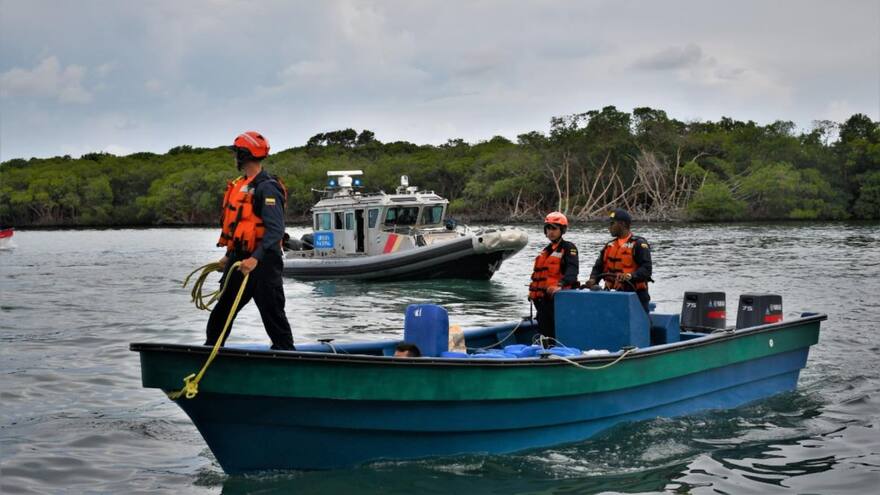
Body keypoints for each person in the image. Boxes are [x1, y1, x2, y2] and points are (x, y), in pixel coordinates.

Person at [205, 131, 295, 350]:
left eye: (236, 152)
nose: (234, 156)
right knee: (222, 310)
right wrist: (228, 255)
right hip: (239, 260)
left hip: (263, 262)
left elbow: (275, 230)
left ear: (244, 155)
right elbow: (238, 227)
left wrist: (255, 258)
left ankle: (286, 354)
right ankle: (209, 352)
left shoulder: (267, 187)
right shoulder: (241, 185)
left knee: (273, 314)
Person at [584, 208, 653, 313]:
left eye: (612, 223)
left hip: (636, 295)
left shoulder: (639, 244)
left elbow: (647, 269)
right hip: (612, 294)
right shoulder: (609, 246)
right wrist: (593, 279)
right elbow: (598, 268)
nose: (609, 227)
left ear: (623, 224)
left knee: (639, 320)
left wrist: (630, 276)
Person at [528, 212, 579, 340]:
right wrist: (533, 292)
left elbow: (572, 272)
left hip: (557, 300)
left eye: (554, 228)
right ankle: (546, 348)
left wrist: (560, 285)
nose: (551, 232)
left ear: (562, 230)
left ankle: (556, 348)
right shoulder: (546, 251)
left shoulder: (569, 248)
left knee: (555, 331)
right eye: (548, 228)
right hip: (542, 301)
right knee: (544, 331)